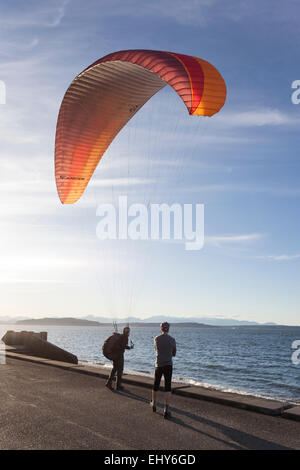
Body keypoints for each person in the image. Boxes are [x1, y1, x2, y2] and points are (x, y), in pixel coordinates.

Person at [150, 322, 176, 419]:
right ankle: (166, 409)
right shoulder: (172, 340)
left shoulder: (156, 339)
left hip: (159, 365)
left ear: (161, 329)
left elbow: (156, 349)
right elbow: (174, 353)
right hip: (168, 365)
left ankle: (154, 403)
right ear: (168, 329)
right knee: (167, 386)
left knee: (156, 384)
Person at [105, 326, 133, 391]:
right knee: (120, 371)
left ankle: (109, 383)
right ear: (127, 332)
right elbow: (123, 346)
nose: (129, 333)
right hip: (119, 356)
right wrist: (130, 347)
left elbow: (120, 345)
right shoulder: (125, 338)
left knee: (114, 369)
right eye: (128, 331)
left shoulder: (120, 336)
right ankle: (118, 386)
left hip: (114, 355)